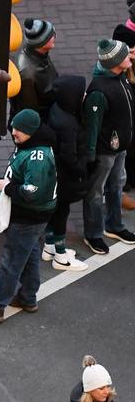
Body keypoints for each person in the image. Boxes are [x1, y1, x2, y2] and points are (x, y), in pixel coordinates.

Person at [0, 109, 57, 322]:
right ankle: (28, 297)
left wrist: (7, 187)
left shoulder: (38, 157)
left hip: (28, 217)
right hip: (35, 217)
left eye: (19, 130)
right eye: (14, 128)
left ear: (32, 132)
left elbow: (32, 192)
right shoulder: (35, 147)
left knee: (12, 261)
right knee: (30, 253)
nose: (14, 133)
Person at [81, 40, 135, 256]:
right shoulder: (99, 91)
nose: (130, 56)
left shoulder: (122, 78)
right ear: (114, 62)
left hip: (120, 147)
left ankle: (114, 225)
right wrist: (91, 153)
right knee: (95, 192)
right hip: (104, 152)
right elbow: (92, 125)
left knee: (117, 185)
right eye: (125, 55)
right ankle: (93, 234)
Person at [44, 75, 91, 272]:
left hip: (56, 174)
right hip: (65, 177)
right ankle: (61, 256)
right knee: (62, 213)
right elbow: (70, 156)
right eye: (82, 93)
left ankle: (49, 247)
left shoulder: (57, 110)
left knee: (55, 211)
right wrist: (84, 168)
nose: (85, 94)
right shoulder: (69, 124)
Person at [12, 18, 57, 118]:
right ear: (42, 43)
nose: (54, 36)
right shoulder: (27, 73)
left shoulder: (40, 53)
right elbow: (29, 110)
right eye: (51, 36)